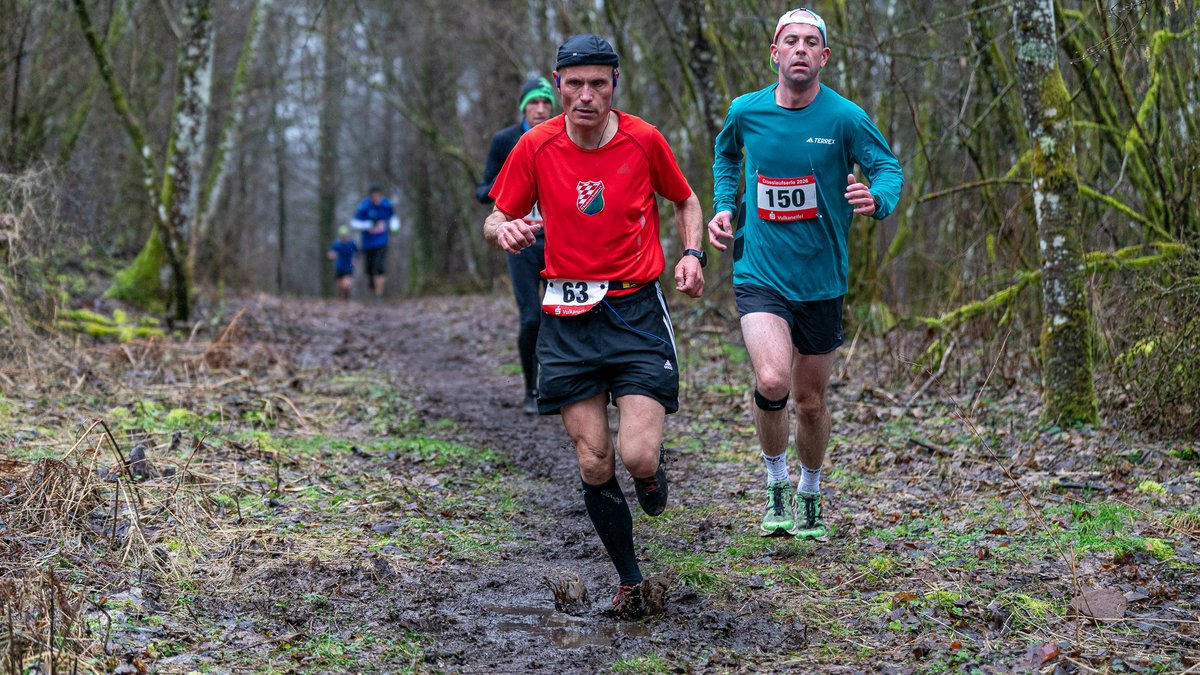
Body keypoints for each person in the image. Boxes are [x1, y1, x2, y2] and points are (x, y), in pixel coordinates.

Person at [483, 34, 706, 616]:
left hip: (634, 312)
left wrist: (692, 254)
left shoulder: (643, 139)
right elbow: (496, 216)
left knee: (637, 456)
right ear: (558, 85)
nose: (586, 95)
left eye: (598, 84)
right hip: (567, 317)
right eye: (575, 83)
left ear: (614, 86)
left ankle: (651, 474)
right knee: (593, 459)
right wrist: (505, 230)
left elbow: (685, 200)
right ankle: (630, 580)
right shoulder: (535, 145)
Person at [708, 8, 904, 539]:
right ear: (775, 53)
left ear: (824, 56)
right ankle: (776, 480)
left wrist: (878, 198)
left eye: (810, 42)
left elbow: (888, 168)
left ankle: (810, 487)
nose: (800, 49)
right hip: (760, 271)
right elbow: (726, 157)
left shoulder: (845, 118)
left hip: (821, 279)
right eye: (790, 41)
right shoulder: (746, 111)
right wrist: (724, 206)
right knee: (772, 379)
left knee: (811, 403)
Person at [476, 77, 556, 414]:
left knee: (562, 316)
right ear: (523, 107)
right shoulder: (505, 140)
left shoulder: (564, 136)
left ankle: (559, 387)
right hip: (521, 243)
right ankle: (530, 390)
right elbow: (483, 191)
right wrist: (510, 182)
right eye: (533, 103)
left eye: (546, 102)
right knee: (531, 318)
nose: (540, 109)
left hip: (558, 241)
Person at [350, 185, 399, 299]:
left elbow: (394, 218)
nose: (375, 197)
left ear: (380, 195)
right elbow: (354, 223)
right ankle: (372, 283)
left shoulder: (387, 205)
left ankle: (378, 294)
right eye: (373, 196)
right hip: (368, 243)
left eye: (377, 195)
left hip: (382, 242)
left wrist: (394, 227)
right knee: (369, 269)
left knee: (379, 267)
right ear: (370, 196)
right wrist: (368, 224)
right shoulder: (364, 206)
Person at [327, 226, 358, 300]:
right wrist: (331, 256)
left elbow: (357, 252)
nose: (344, 237)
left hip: (348, 266)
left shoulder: (351, 243)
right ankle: (340, 297)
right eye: (342, 236)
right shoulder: (337, 244)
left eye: (345, 235)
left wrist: (355, 259)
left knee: (346, 284)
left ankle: (346, 297)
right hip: (339, 266)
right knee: (339, 285)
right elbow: (331, 253)